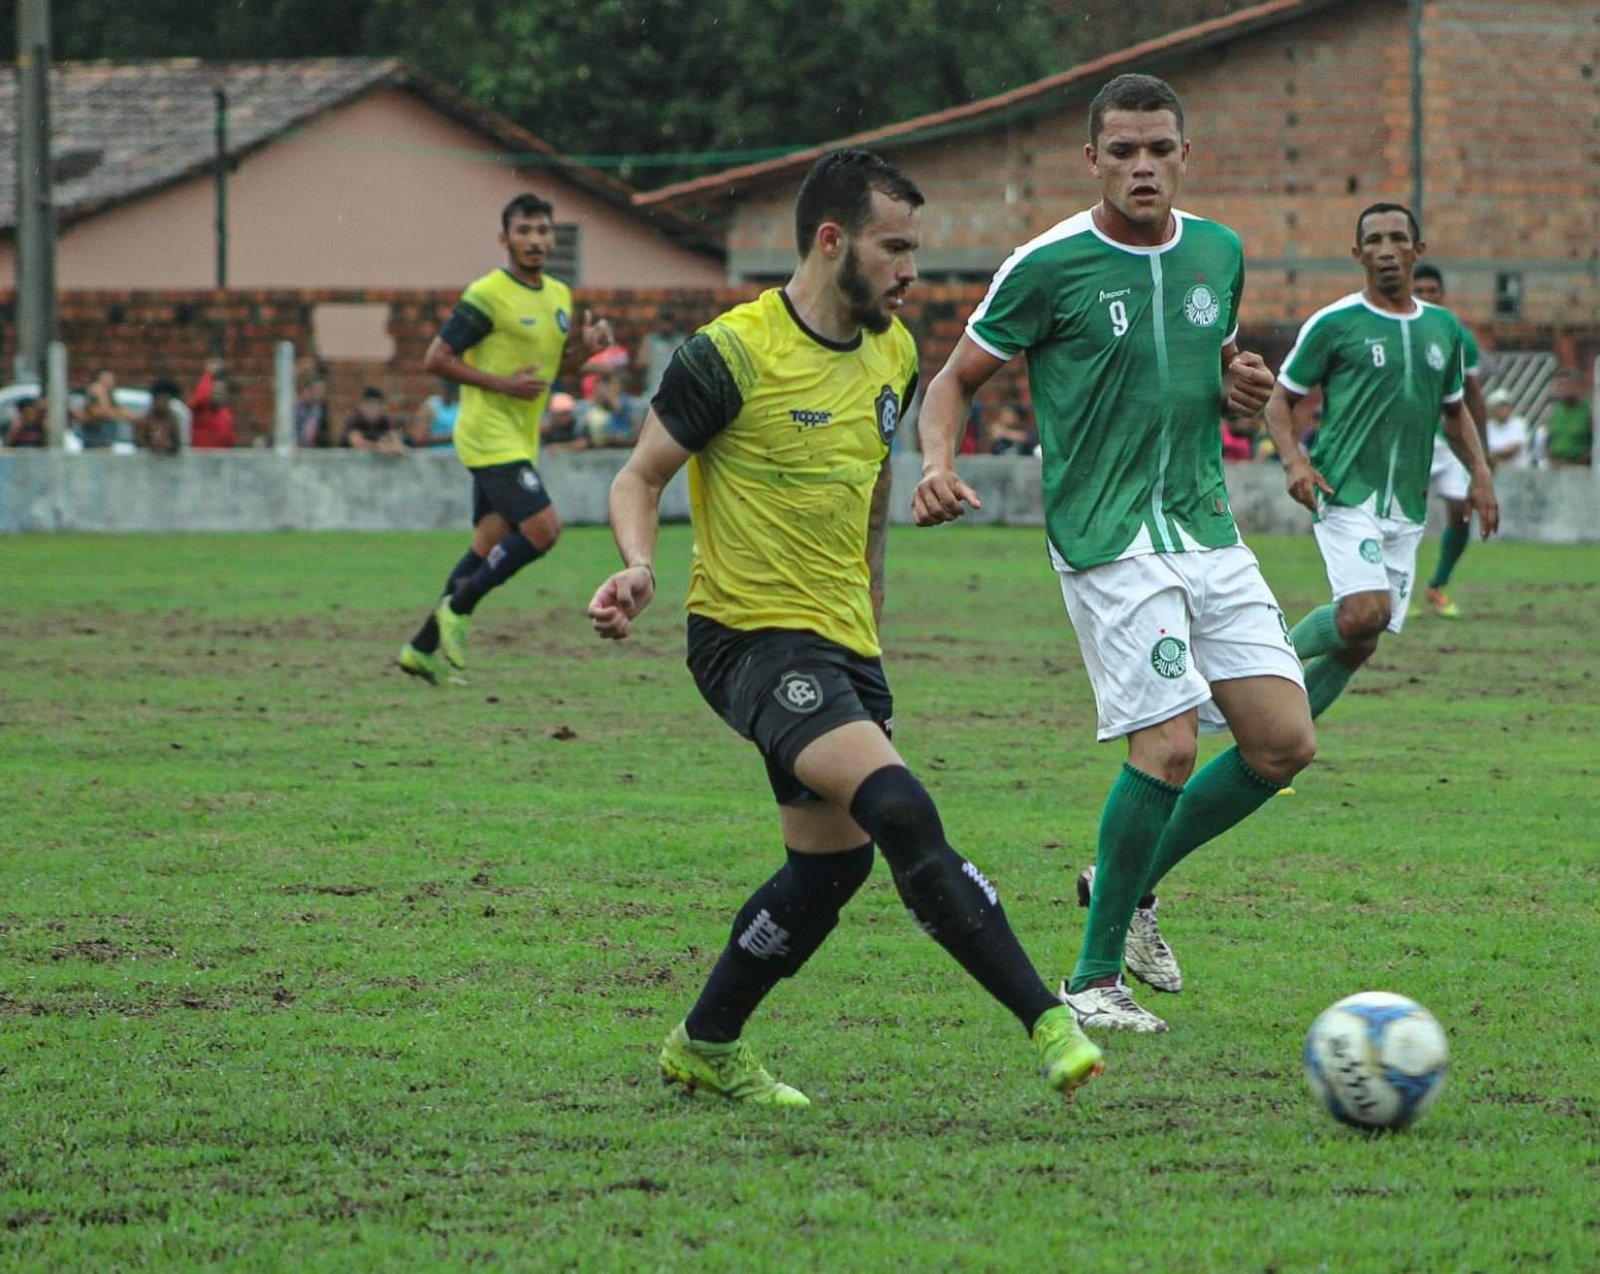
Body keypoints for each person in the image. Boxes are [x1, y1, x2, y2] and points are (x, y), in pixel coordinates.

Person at [586, 149, 1104, 1106]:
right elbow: (638, 477)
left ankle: (705, 1043)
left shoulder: (894, 353)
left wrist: (871, 613)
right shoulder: (730, 353)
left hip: (842, 644)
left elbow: (867, 496)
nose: (913, 271)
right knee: (902, 810)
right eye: (895, 247)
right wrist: (639, 565)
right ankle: (1048, 1018)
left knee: (829, 871)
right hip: (745, 638)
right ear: (833, 242)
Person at [913, 74, 1313, 1034]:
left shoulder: (1220, 251)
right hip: (1109, 538)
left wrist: (1241, 388)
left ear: (1185, 155)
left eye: (1160, 150)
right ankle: (1092, 980)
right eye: (1124, 151)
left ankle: (1125, 883)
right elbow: (954, 379)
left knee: (1283, 743)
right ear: (1091, 158)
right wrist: (935, 464)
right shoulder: (1046, 264)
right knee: (1169, 746)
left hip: (1205, 526)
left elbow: (1206, 365)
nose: (1143, 167)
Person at [1263, 202, 1498, 723]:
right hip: (1345, 489)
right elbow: (1280, 401)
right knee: (1367, 612)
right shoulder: (1336, 323)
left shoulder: (1444, 329)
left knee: (1360, 641)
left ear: (1418, 251)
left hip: (1406, 507)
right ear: (1357, 254)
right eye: (1373, 241)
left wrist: (1480, 474)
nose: (1386, 250)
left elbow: (1454, 412)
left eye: (1397, 238)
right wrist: (1292, 462)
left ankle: (1272, 739)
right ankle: (1259, 658)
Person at [396, 192, 615, 684]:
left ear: (552, 238)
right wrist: (501, 385)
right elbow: (437, 357)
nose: (535, 240)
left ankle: (421, 647)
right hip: (485, 432)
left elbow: (554, 372)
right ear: (505, 239)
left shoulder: (559, 295)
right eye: (524, 231)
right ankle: (461, 607)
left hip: (519, 436)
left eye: (542, 231)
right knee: (543, 529)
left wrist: (588, 349)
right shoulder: (487, 295)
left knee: (487, 542)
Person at [1411, 265, 1489, 618]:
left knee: (1461, 513)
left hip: (1451, 441)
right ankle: (1391, 593)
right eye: (1420, 290)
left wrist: (1481, 456)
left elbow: (1472, 394)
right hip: (1410, 439)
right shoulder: (1396, 329)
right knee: (1399, 518)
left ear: (1442, 294)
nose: (1427, 296)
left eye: (1432, 290)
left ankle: (1437, 585)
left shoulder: (1458, 335)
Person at [576, 370, 644, 448]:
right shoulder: (589, 408)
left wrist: (610, 397)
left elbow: (620, 409)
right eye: (598, 390)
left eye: (604, 390)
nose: (601, 393)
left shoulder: (626, 402)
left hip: (623, 444)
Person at [634, 304, 688, 401]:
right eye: (663, 321)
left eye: (668, 321)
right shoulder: (649, 340)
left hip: (677, 394)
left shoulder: (681, 341)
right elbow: (641, 363)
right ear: (658, 322)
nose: (666, 325)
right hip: (653, 392)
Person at [1544, 370, 1593, 467]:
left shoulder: (1589, 410)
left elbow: (1596, 444)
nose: (1562, 389)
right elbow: (1548, 440)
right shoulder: (1553, 411)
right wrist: (1551, 460)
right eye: (1559, 385)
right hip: (1557, 467)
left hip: (1581, 468)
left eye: (1567, 385)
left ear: (1577, 386)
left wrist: (1576, 463)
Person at [343, 387, 406, 455]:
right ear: (362, 405)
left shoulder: (384, 420)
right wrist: (381, 448)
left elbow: (398, 445)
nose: (372, 409)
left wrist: (393, 447)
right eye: (369, 404)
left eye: (376, 405)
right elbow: (358, 443)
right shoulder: (355, 420)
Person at [189, 360, 237, 449]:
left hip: (219, 460)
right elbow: (199, 397)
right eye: (214, 391)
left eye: (220, 392)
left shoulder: (226, 415)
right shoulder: (200, 409)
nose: (216, 394)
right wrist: (209, 374)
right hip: (198, 459)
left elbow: (230, 443)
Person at [80, 369, 131, 449]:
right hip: (92, 448)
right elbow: (102, 412)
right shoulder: (90, 402)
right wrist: (101, 394)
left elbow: (128, 414)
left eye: (110, 381)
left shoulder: (114, 402)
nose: (108, 385)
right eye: (104, 382)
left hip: (109, 446)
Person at [1483, 388, 1531, 468]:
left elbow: (1514, 449)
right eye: (1501, 406)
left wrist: (1492, 456)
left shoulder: (1519, 423)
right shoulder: (1487, 427)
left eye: (1507, 406)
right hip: (1493, 471)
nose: (1505, 409)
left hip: (1516, 471)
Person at [135, 378, 183, 455]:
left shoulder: (172, 420)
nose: (162, 404)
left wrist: (169, 445)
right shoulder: (145, 420)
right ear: (154, 401)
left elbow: (177, 443)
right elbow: (139, 442)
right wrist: (152, 445)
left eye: (165, 401)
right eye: (160, 400)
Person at [410, 380, 459, 452]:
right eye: (446, 389)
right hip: (435, 456)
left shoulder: (459, 405)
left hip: (457, 456)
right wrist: (451, 437)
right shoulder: (431, 406)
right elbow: (419, 438)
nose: (448, 393)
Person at [295, 376, 332, 448]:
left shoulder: (319, 409)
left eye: (323, 390)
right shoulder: (295, 408)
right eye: (317, 390)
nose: (321, 393)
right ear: (307, 390)